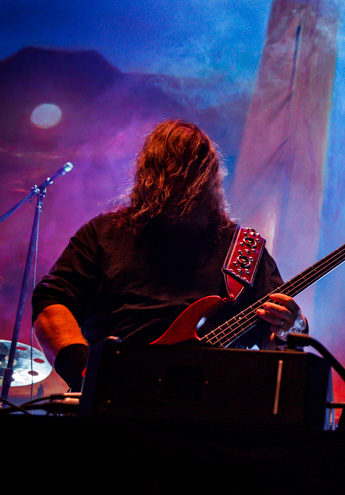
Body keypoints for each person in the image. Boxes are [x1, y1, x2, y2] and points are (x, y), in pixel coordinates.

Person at [31, 120, 305, 391]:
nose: (184, 179)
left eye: (194, 167)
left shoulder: (244, 248)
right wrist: (84, 374)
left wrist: (291, 328)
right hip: (114, 393)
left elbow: (272, 336)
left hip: (214, 396)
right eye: (174, 166)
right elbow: (52, 302)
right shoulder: (103, 233)